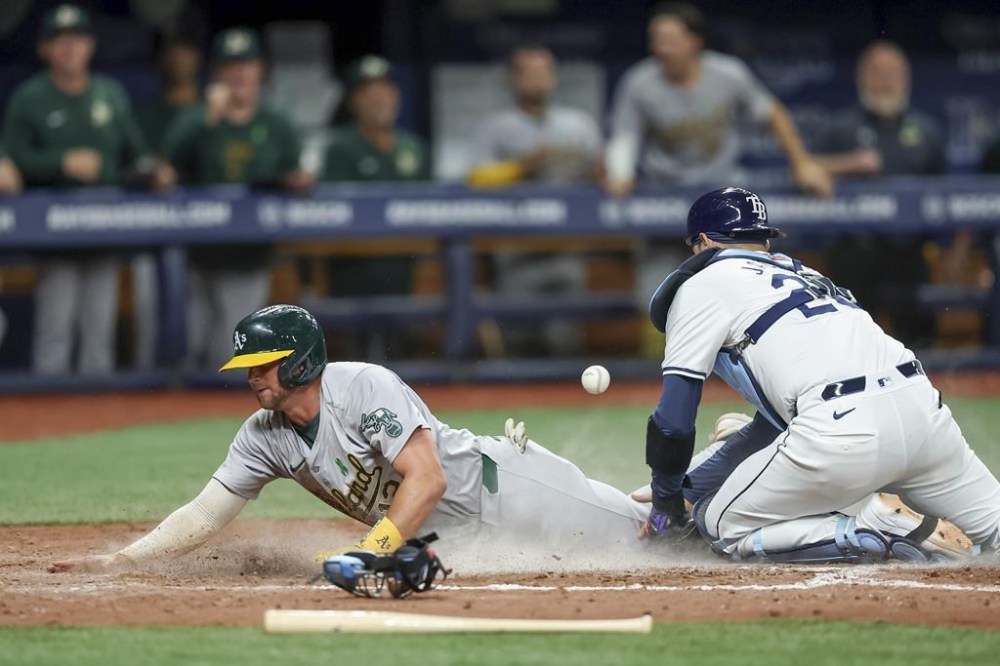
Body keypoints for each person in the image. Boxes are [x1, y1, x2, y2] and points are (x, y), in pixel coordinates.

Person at [47, 304, 650, 573]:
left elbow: (429, 478)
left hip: (509, 489)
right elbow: (206, 513)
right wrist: (125, 560)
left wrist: (372, 548)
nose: (252, 377)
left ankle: (691, 494)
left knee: (646, 534)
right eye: (248, 367)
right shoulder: (262, 437)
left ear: (300, 361)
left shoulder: (362, 386)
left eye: (263, 365)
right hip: (455, 540)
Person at [639, 186, 1000, 563]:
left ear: (703, 241)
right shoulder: (808, 276)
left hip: (841, 433)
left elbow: (673, 421)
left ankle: (875, 529)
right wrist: (688, 489)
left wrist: (666, 506)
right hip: (925, 416)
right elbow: (769, 429)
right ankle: (917, 530)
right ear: (764, 240)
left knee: (721, 526)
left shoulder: (701, 285)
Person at [2, 4, 160, 375]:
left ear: (90, 45)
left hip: (103, 228)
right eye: (60, 40)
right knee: (54, 333)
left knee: (98, 336)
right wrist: (61, 163)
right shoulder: (30, 97)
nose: (70, 47)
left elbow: (135, 154)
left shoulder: (109, 93)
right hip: (53, 234)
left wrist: (152, 171)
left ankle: (99, 409)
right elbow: (13, 162)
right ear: (44, 49)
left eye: (77, 39)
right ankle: (47, 409)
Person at [163, 27, 312, 371]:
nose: (239, 75)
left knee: (232, 353)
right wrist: (208, 119)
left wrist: (297, 180)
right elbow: (169, 163)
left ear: (260, 69)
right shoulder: (197, 118)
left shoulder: (275, 124)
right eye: (230, 67)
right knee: (188, 350)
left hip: (248, 256)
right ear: (217, 74)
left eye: (246, 65)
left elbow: (297, 175)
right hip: (195, 255)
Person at [604, 2, 831, 198]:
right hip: (663, 189)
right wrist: (620, 173)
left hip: (722, 184)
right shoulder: (638, 82)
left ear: (695, 41)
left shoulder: (728, 73)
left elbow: (771, 113)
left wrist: (801, 162)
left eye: (670, 40)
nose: (662, 49)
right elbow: (626, 135)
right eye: (656, 40)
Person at [466, 46, 602, 356]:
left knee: (564, 343)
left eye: (543, 72)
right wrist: (522, 166)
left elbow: (600, 177)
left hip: (566, 249)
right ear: (513, 80)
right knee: (519, 344)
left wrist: (602, 173)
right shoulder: (496, 126)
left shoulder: (578, 124)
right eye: (528, 73)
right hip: (516, 253)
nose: (537, 80)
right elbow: (476, 180)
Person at [815, 40, 947, 348]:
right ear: (861, 78)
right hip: (854, 251)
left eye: (894, 72)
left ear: (907, 78)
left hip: (909, 252)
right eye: (877, 72)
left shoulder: (927, 131)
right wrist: (849, 164)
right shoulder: (840, 127)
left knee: (919, 341)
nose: (886, 80)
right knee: (850, 342)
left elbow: (949, 192)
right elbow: (803, 169)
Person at [319, 55, 431, 359]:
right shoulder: (340, 148)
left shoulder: (415, 149)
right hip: (353, 276)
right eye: (369, 92)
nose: (379, 99)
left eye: (385, 90)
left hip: (405, 273)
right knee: (356, 365)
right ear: (353, 101)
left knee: (400, 363)